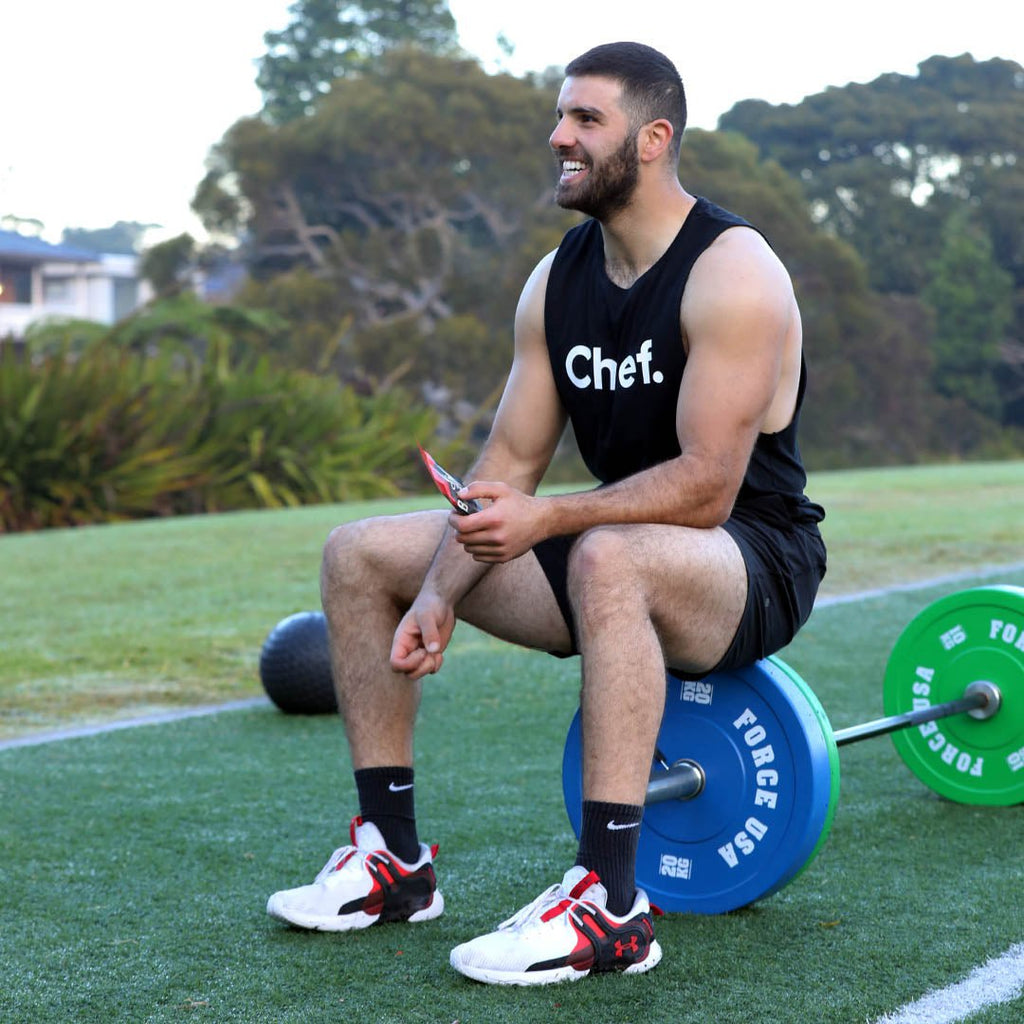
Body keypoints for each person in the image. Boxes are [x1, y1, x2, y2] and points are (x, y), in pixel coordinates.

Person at [266, 40, 826, 986]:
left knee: (609, 554)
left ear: (652, 140)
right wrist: (441, 593)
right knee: (359, 554)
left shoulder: (734, 270)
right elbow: (510, 463)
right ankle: (392, 863)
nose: (557, 135)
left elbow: (706, 489)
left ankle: (610, 903)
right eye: (561, 115)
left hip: (749, 561)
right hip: (605, 549)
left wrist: (548, 523)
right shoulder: (555, 282)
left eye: (585, 119)